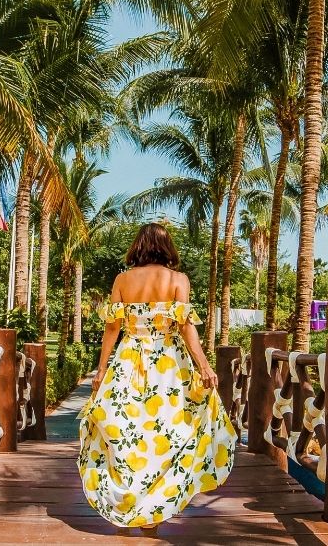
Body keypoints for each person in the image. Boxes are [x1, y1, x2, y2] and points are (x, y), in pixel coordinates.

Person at [77, 222, 237, 533]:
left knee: (126, 431)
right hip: (169, 364)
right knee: (168, 431)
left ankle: (129, 500)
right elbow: (186, 327)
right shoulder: (178, 279)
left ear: (138, 246)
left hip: (129, 361)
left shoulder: (122, 280)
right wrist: (203, 365)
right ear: (167, 248)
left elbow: (112, 329)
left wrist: (100, 371)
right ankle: (155, 505)